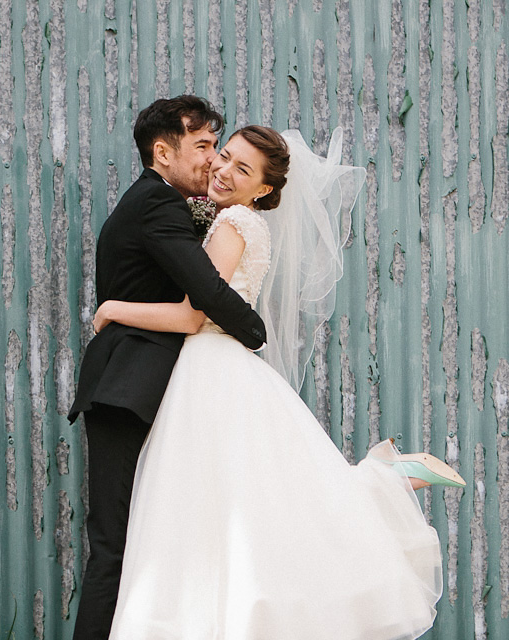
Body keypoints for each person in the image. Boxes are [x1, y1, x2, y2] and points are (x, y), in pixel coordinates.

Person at [98, 125, 459, 639]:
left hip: (209, 368)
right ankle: (386, 473)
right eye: (223, 157)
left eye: (242, 170)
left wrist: (114, 308)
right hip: (224, 367)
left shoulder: (233, 225)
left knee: (209, 511)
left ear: (264, 190)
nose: (223, 171)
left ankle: (389, 476)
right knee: (255, 508)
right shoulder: (241, 222)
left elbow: (191, 317)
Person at [67, 96, 268, 640]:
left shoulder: (153, 203)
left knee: (142, 542)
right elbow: (205, 294)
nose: (213, 161)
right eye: (203, 146)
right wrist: (254, 333)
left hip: (141, 390)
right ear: (163, 152)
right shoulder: (159, 205)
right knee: (114, 547)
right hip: (127, 388)